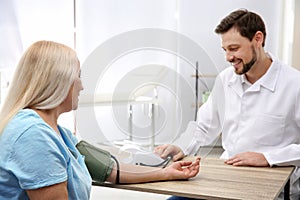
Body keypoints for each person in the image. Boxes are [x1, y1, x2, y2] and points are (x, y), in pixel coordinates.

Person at [0, 40, 200, 200]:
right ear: (58, 81)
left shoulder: (59, 133)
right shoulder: (33, 136)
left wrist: (166, 173)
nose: (82, 86)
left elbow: (109, 169)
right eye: (78, 76)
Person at [155, 9, 300, 200]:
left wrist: (268, 158)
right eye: (225, 50)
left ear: (258, 39)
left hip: (272, 188)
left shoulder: (294, 84)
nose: (228, 57)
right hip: (227, 180)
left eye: (234, 48)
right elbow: (204, 127)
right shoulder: (225, 80)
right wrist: (181, 146)